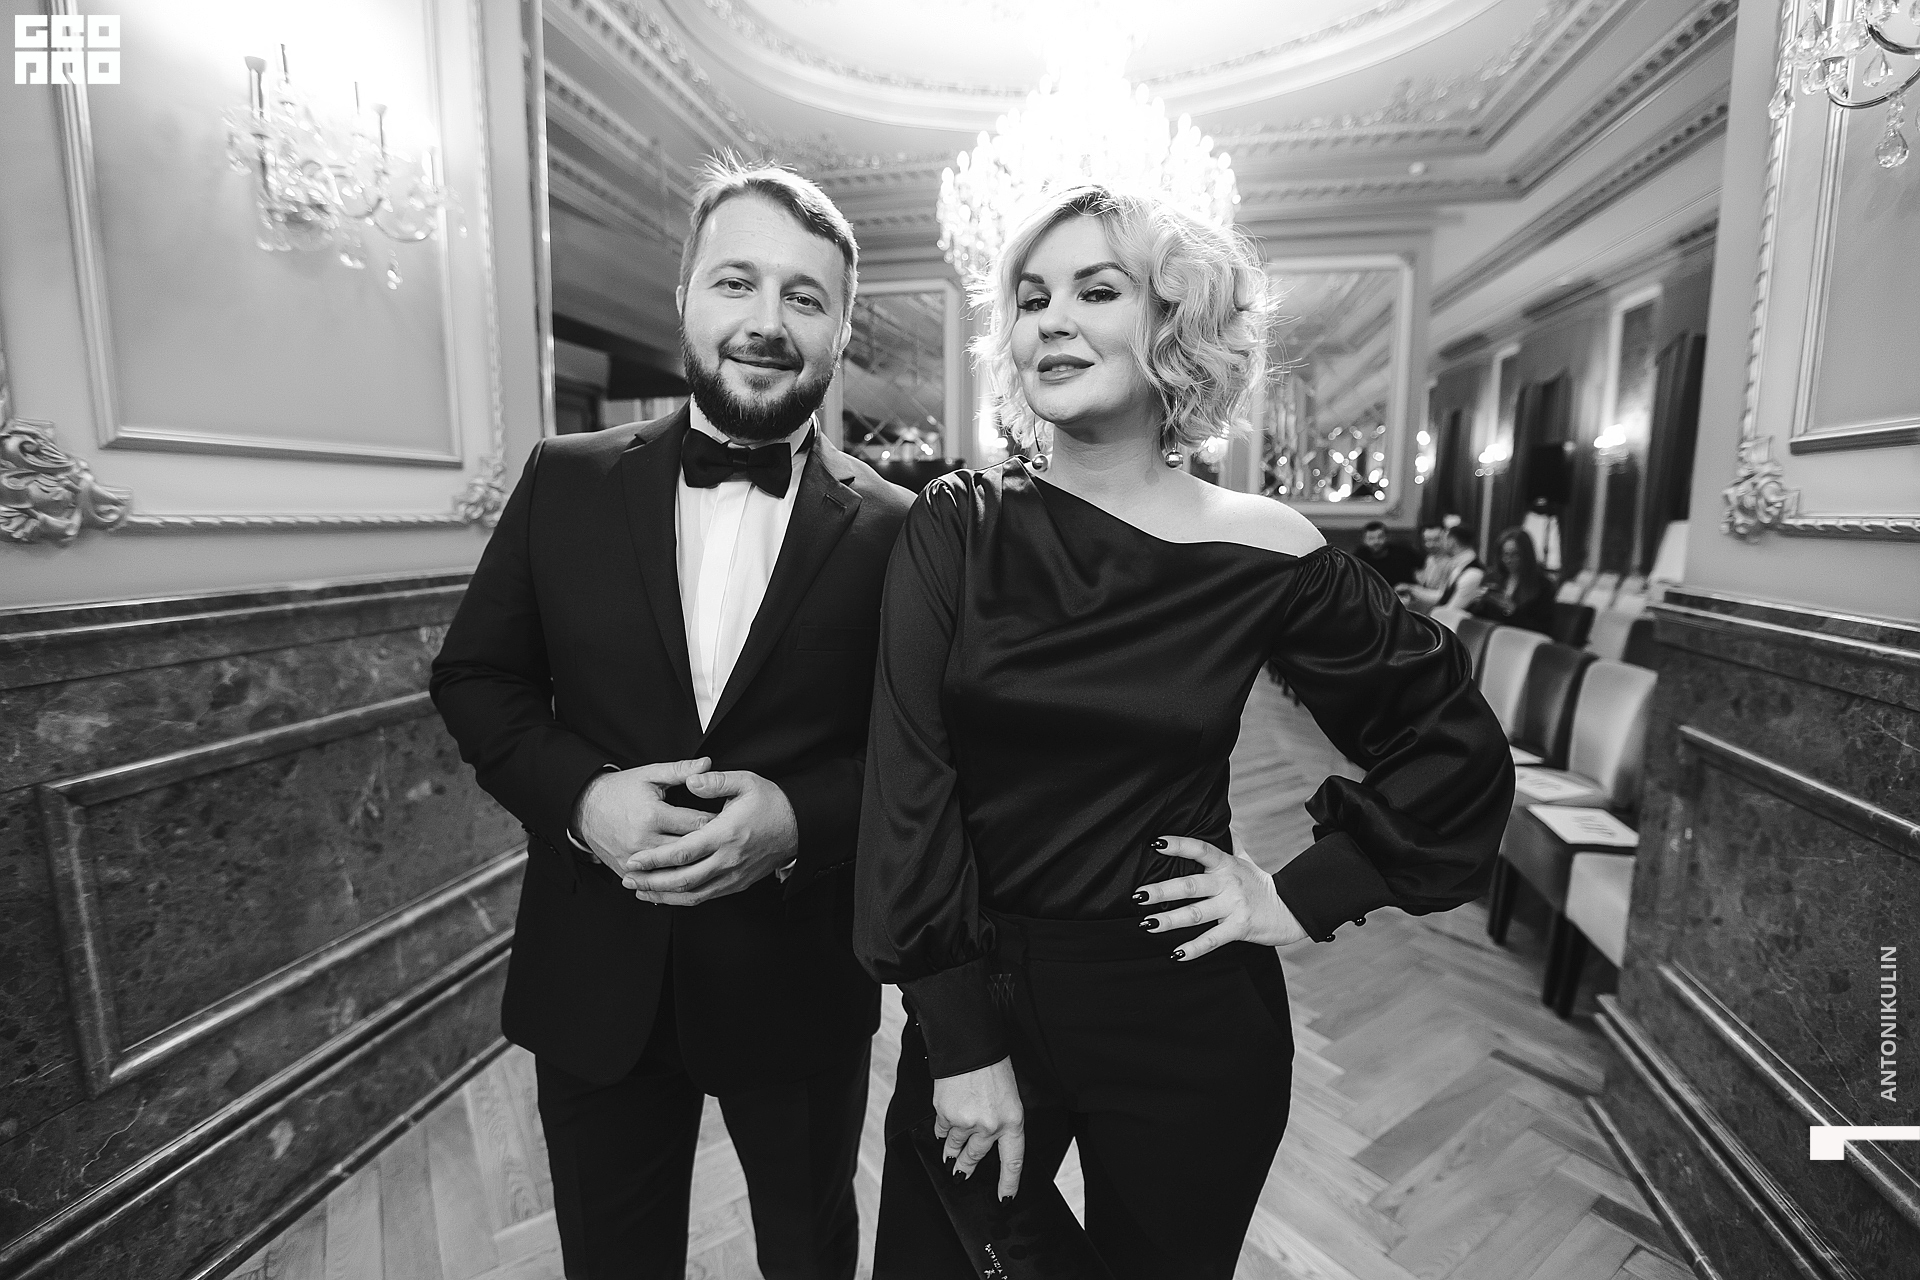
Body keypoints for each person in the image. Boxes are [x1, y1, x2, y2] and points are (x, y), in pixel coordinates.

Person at [853, 185, 1514, 1278]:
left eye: (1096, 290)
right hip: (981, 999)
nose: (1050, 321)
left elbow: (1453, 743)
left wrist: (1299, 894)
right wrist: (959, 1040)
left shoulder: (1267, 548)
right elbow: (906, 785)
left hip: (1187, 1009)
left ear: (1176, 322)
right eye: (1031, 299)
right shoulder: (959, 526)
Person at [430, 159, 912, 1280]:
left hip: (798, 978)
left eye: (804, 296)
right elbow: (478, 679)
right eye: (737, 281)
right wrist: (582, 799)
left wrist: (801, 820)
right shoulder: (563, 479)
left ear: (841, 331)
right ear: (685, 299)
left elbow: (921, 748)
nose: (767, 320)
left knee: (810, 1250)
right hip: (596, 974)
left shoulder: (900, 525)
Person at [1468, 526, 1555, 634]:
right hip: (1491, 636)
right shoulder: (1492, 577)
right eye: (1505, 554)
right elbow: (1478, 619)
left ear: (1526, 555)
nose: (1508, 560)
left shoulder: (1542, 585)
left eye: (1515, 554)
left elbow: (1543, 629)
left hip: (1520, 639)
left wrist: (1513, 612)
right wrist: (1478, 603)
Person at [1401, 522, 1485, 611]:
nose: (1441, 543)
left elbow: (1451, 611)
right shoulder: (1460, 566)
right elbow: (1443, 596)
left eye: (1442, 539)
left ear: (1452, 541)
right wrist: (1412, 589)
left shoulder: (1472, 573)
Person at [1355, 519, 1421, 586]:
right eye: (1371, 538)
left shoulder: (1403, 553)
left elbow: (1420, 569)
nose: (1376, 542)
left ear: (1387, 537)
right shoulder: (1358, 559)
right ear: (1363, 540)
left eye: (1380, 537)